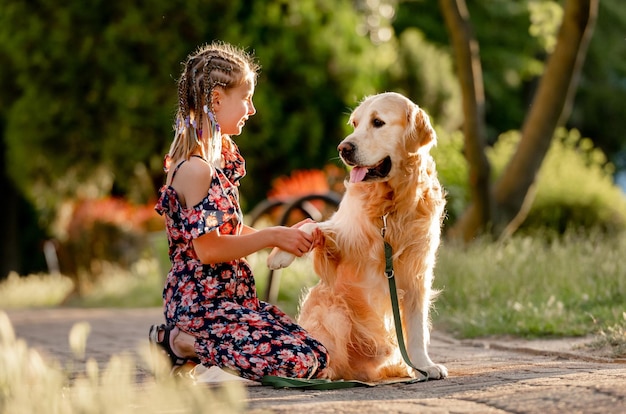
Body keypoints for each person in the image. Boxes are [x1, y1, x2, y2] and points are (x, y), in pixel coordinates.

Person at [149, 41, 328, 382]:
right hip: (203, 308)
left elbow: (226, 232)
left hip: (232, 301)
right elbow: (208, 248)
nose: (253, 108)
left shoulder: (220, 158)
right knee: (299, 363)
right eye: (246, 98)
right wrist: (271, 235)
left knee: (316, 354)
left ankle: (189, 350)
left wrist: (283, 236)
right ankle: (181, 342)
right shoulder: (196, 168)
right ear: (216, 100)